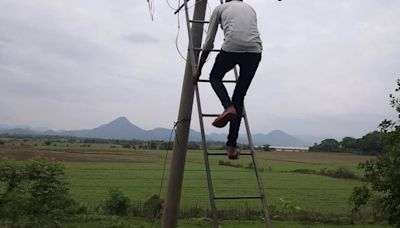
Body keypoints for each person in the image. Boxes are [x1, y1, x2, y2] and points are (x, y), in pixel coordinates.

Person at [193, 0, 262, 160]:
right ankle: (231, 147)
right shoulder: (250, 8)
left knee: (215, 77)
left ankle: (227, 107)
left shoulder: (220, 8)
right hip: (255, 52)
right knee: (239, 98)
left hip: (231, 48)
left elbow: (209, 42)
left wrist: (199, 69)